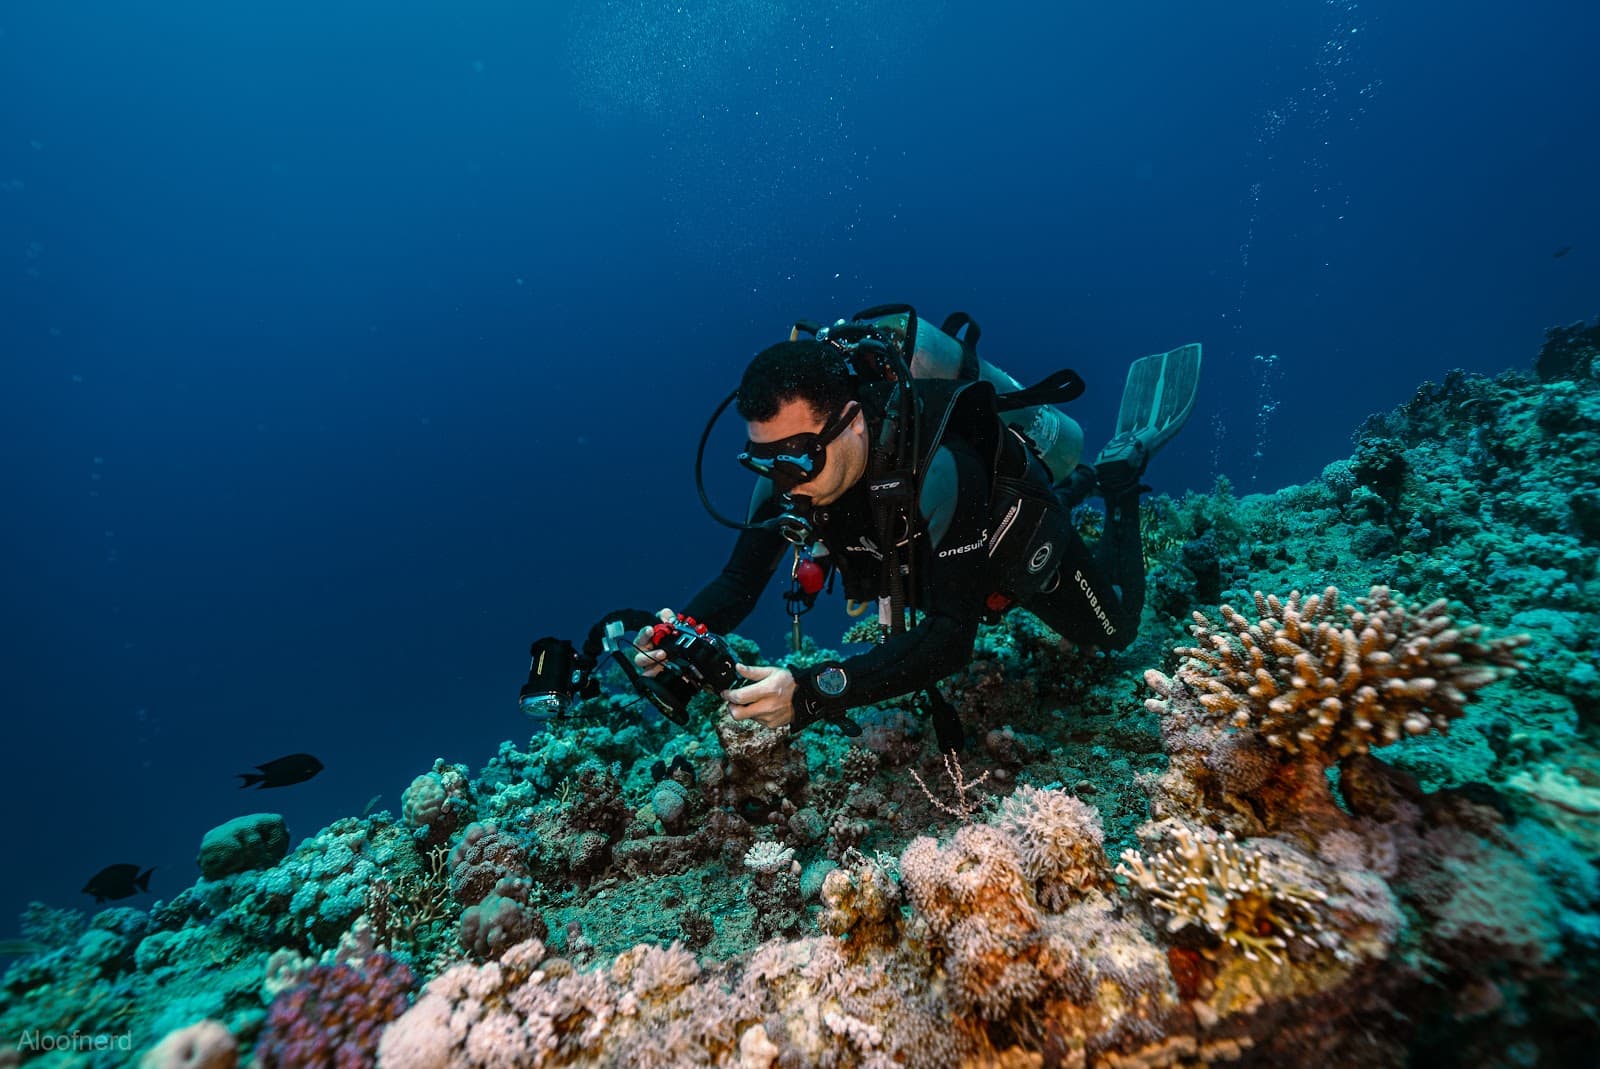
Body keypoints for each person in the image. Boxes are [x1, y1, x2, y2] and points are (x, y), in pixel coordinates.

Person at [640, 309, 1200, 745]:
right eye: (766, 461)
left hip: (1011, 544)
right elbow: (738, 584)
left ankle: (1118, 478)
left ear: (853, 423)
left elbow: (952, 638)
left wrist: (809, 694)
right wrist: (676, 632)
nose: (786, 482)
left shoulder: (940, 466)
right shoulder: (790, 477)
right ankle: (1081, 485)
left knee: (1115, 632)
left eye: (799, 458)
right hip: (937, 549)